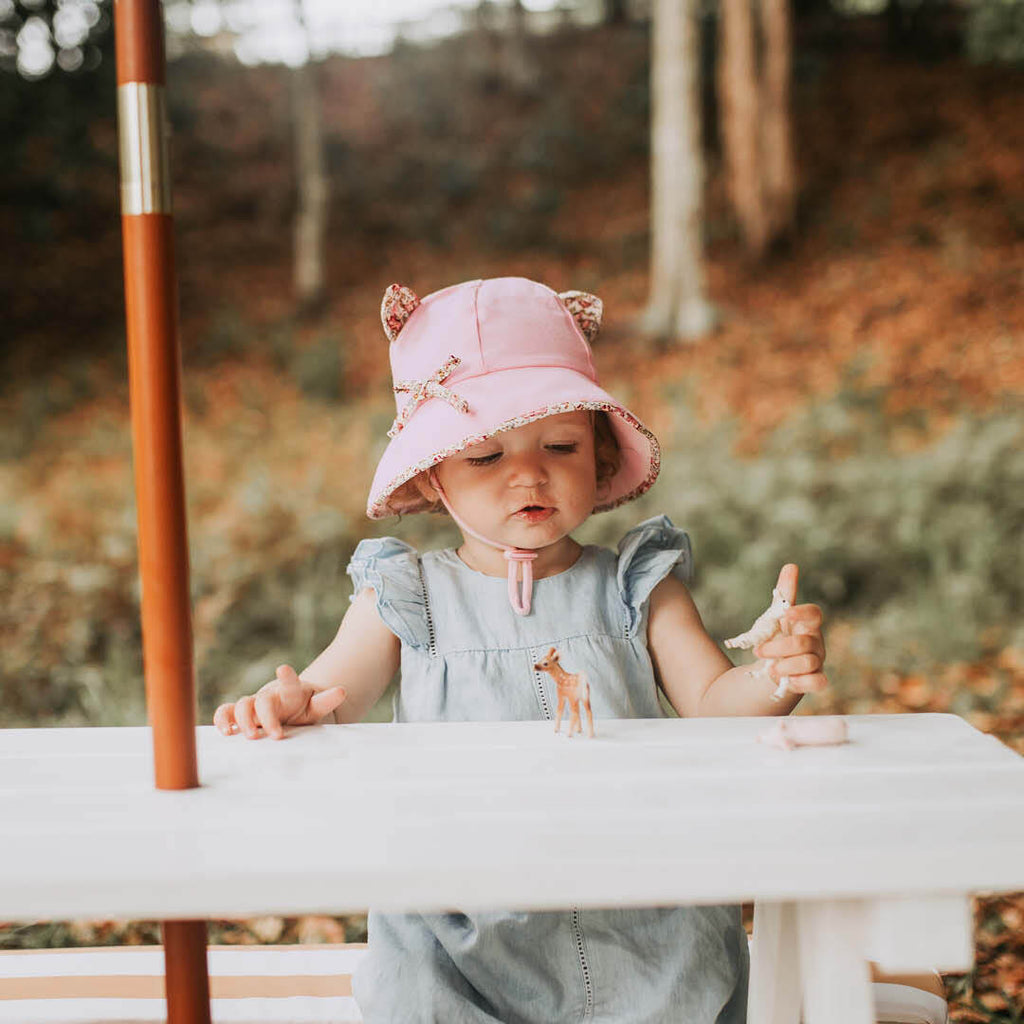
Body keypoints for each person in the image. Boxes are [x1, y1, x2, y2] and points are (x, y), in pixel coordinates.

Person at [214, 276, 828, 1023]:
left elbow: (712, 703)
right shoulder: (405, 596)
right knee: (416, 995)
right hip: (461, 919)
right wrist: (287, 703)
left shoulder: (636, 586)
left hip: (637, 907)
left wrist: (772, 675)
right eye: (483, 457)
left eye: (559, 444)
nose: (528, 473)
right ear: (432, 476)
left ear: (601, 458)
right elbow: (327, 698)